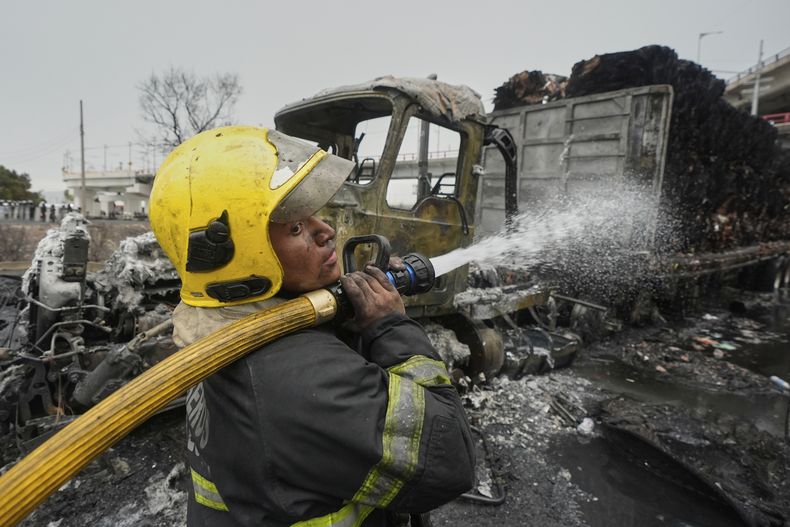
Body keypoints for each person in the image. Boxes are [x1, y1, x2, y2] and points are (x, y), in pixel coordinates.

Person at [149, 126, 475, 527]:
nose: (327, 231)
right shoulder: (296, 379)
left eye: (314, 216)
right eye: (296, 227)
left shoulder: (221, 330)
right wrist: (390, 327)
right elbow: (450, 458)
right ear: (241, 254)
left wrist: (353, 321)